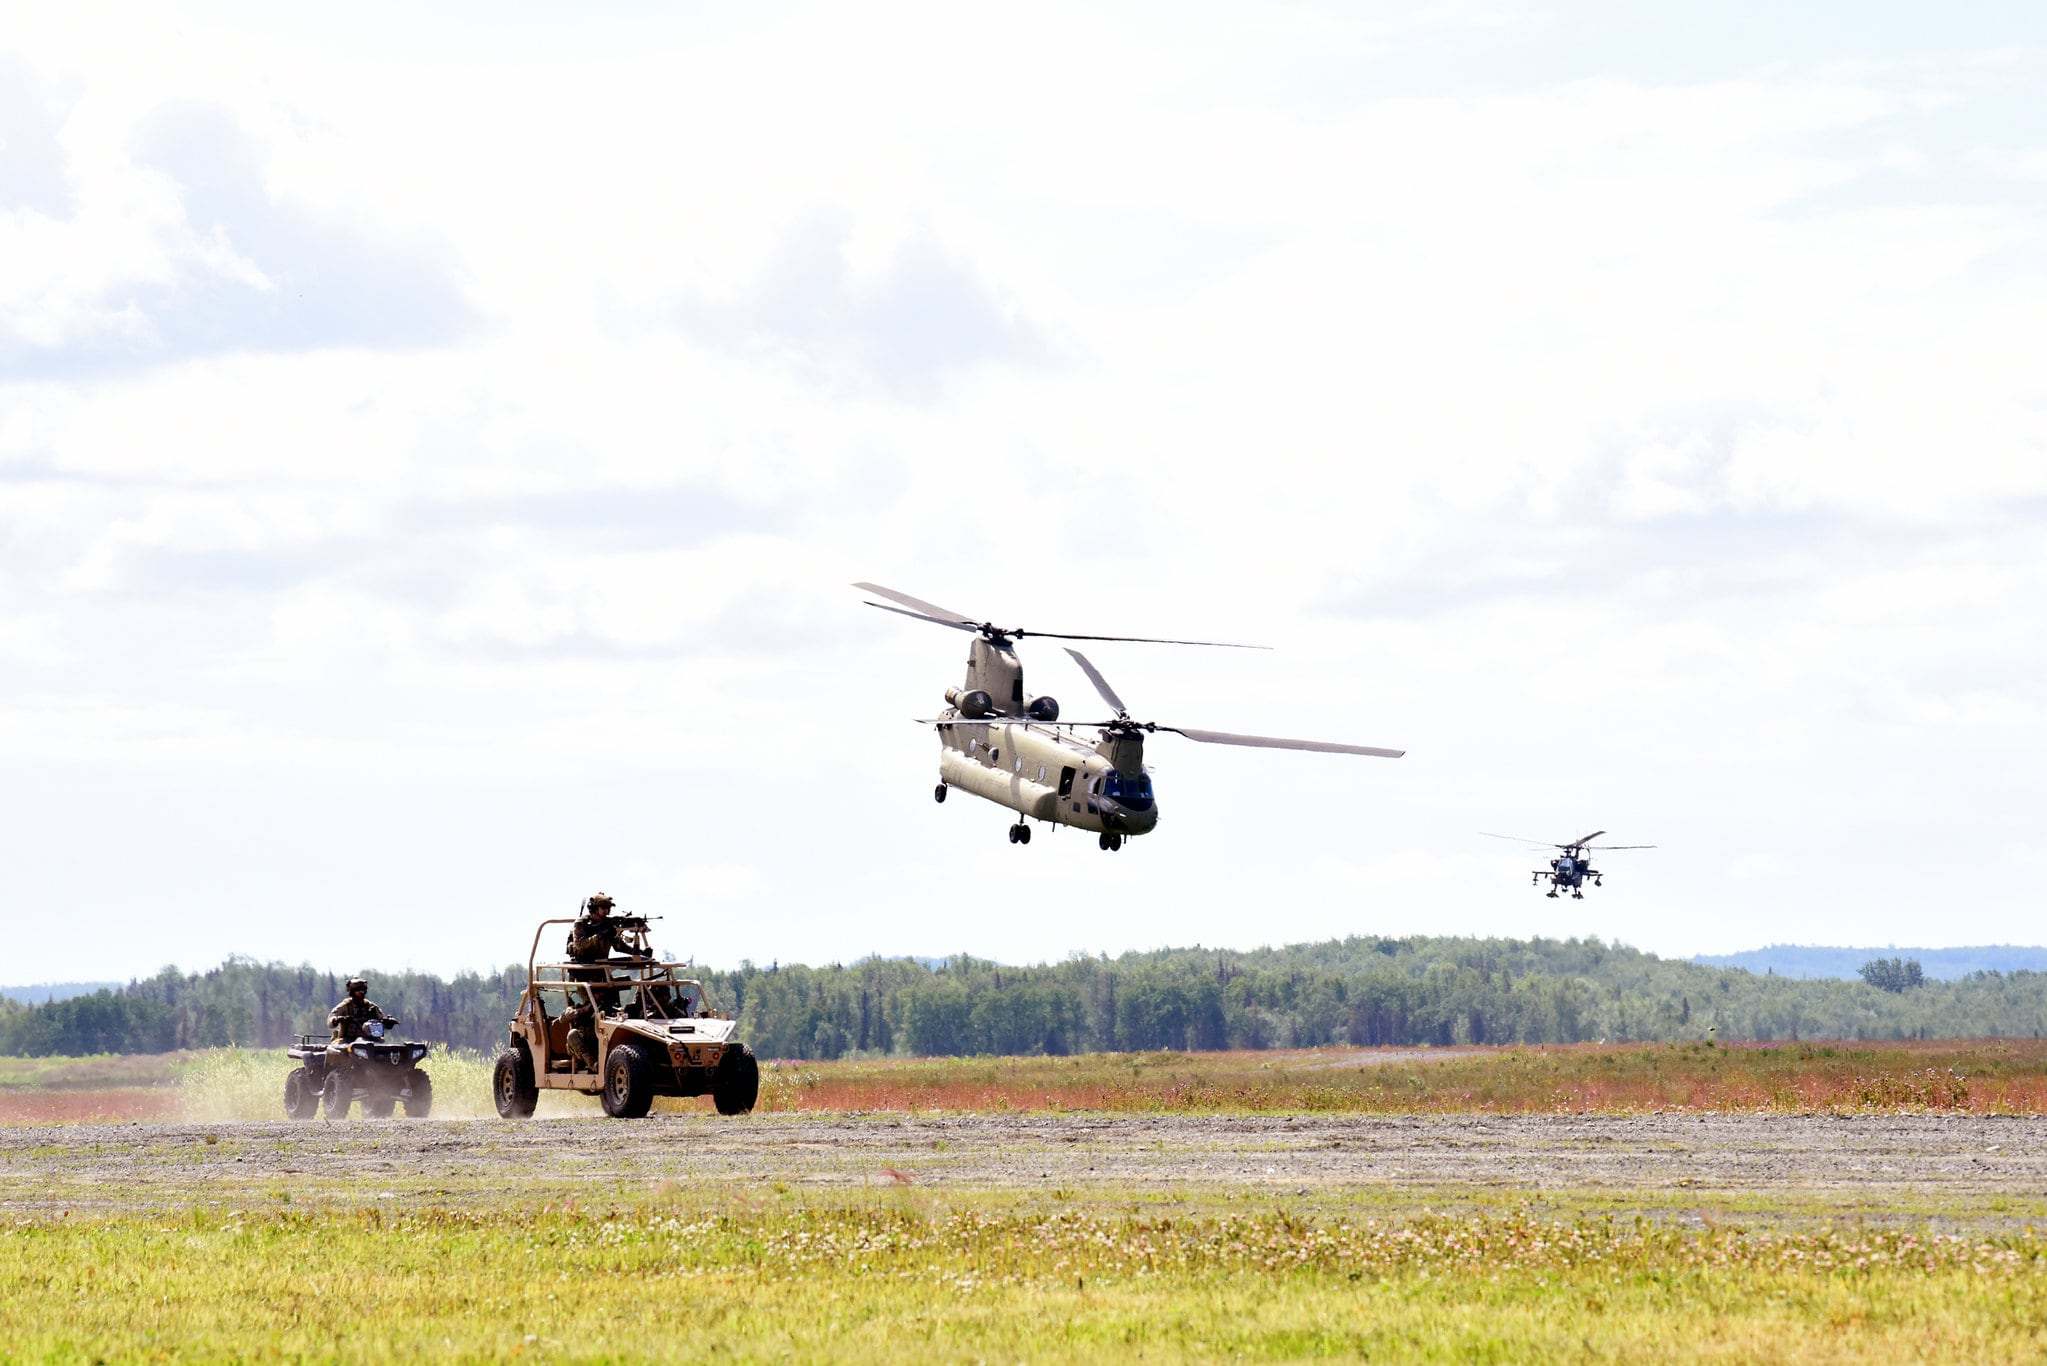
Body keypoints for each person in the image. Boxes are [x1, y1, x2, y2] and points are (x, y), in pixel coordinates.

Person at [326, 977, 389, 1076]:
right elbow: (331, 1017)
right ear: (352, 991)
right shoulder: (346, 1005)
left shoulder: (370, 1006)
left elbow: (382, 1017)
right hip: (347, 1040)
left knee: (385, 1055)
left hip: (370, 1041)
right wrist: (337, 1019)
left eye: (363, 990)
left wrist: (387, 1022)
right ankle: (333, 1077)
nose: (361, 992)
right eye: (358, 990)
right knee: (338, 1054)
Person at [563, 996, 598, 1071]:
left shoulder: (604, 1006)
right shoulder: (579, 1007)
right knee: (572, 1034)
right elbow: (562, 1018)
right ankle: (593, 1065)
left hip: (598, 1043)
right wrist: (582, 1010)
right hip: (580, 1046)